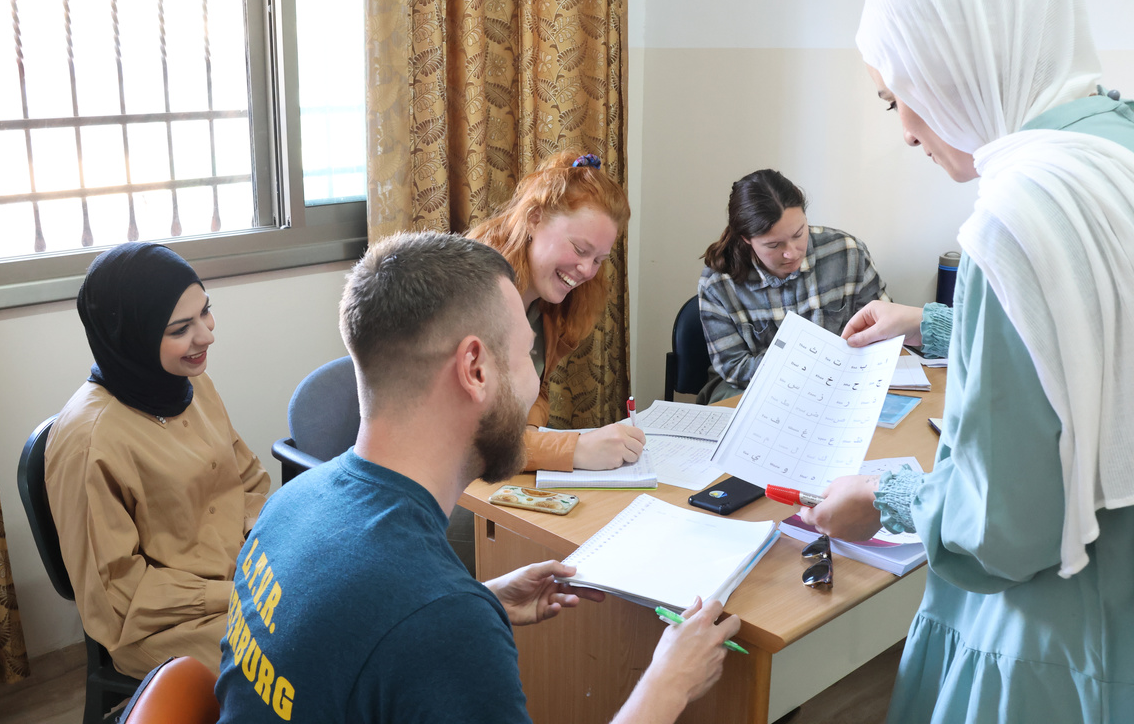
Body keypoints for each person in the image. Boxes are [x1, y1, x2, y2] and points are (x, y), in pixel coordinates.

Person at [800, 0, 1134, 723]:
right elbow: (1090, 329)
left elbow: (1000, 529)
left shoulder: (1019, 216)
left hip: (1056, 635)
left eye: (897, 98)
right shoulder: (1111, 148)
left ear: (954, 70)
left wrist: (885, 495)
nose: (907, 132)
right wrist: (931, 323)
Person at [213, 231, 743, 723]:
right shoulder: (441, 621)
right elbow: (415, 621)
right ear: (475, 369)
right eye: (525, 355)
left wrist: (480, 599)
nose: (534, 383)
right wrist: (669, 683)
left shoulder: (291, 503)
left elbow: (346, 643)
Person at [45, 242, 270, 676]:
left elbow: (247, 479)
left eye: (205, 311)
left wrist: (265, 550)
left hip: (239, 579)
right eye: (181, 328)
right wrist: (236, 594)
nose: (207, 335)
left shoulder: (187, 382)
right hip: (160, 624)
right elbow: (118, 593)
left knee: (342, 612)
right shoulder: (90, 441)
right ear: (132, 336)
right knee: (303, 661)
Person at [468, 151, 644, 471]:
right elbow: (464, 439)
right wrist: (572, 450)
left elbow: (536, 389)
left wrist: (528, 436)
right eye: (579, 249)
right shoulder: (473, 292)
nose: (587, 270)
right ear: (535, 219)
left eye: (598, 260)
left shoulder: (551, 305)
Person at [696, 169, 890, 403]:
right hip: (754, 387)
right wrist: (811, 367)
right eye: (774, 245)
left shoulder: (848, 253)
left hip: (840, 382)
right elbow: (735, 368)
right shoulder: (718, 284)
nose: (791, 253)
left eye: (798, 234)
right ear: (746, 238)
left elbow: (882, 329)